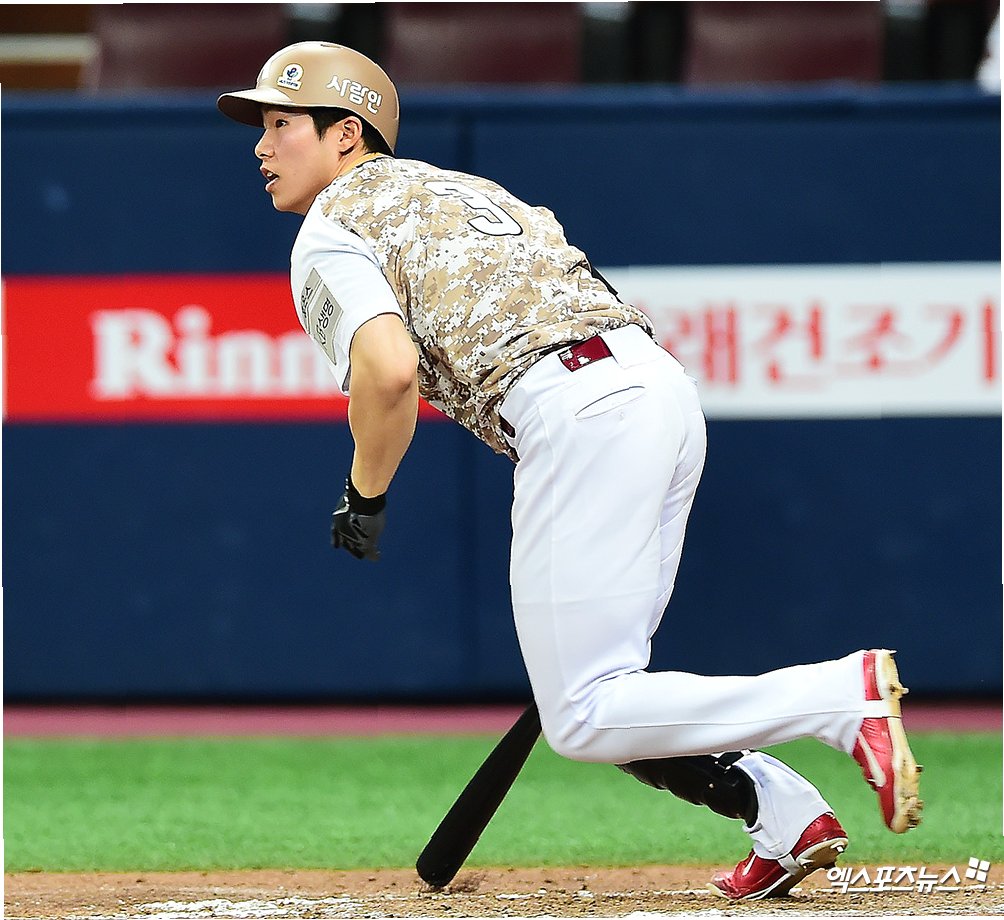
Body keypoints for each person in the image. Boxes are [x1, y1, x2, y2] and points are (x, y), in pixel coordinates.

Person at [218, 42, 923, 900]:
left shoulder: (330, 228)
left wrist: (364, 493)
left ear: (346, 134)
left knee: (584, 713)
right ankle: (784, 815)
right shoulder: (461, 187)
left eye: (281, 124)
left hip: (576, 412)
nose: (261, 146)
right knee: (604, 690)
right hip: (656, 389)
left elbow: (389, 373)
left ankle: (840, 698)